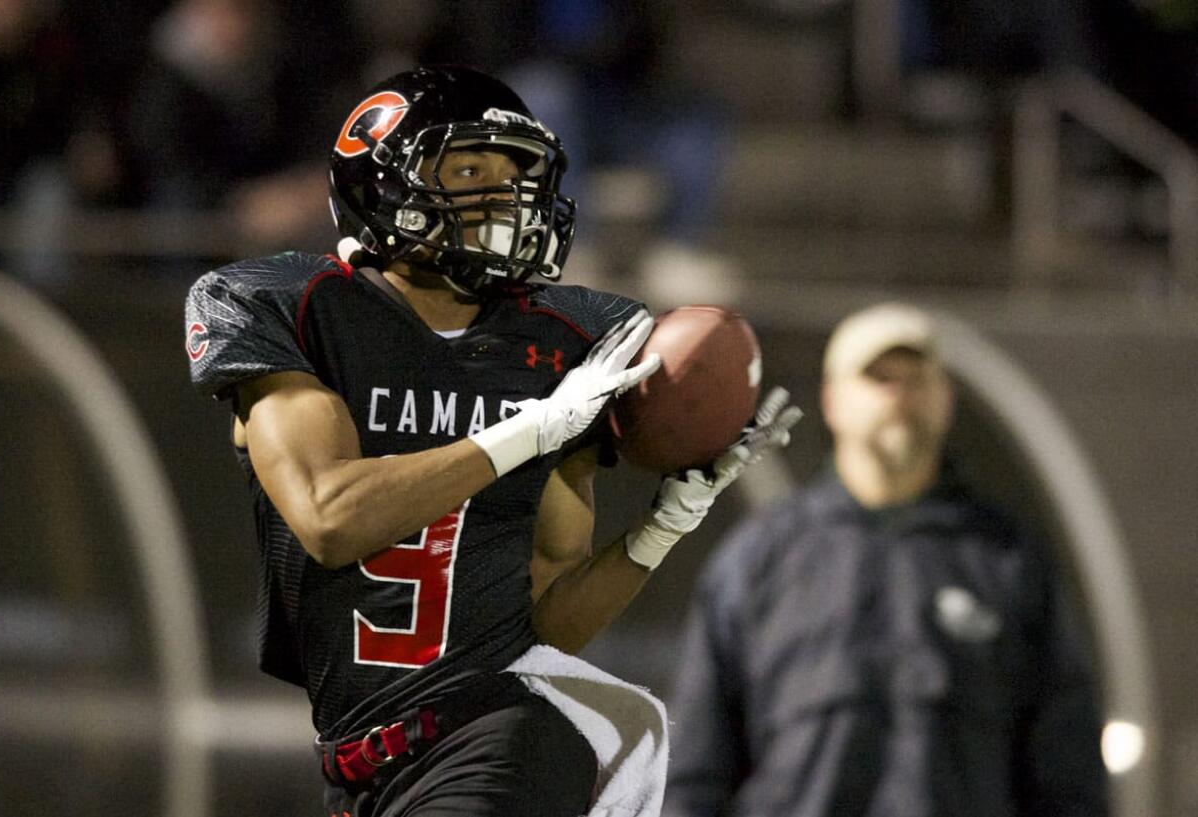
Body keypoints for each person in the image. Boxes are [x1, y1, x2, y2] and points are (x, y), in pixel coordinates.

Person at [183, 66, 799, 817]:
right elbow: (329, 515)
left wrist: (659, 530)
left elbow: (541, 628)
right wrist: (525, 432)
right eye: (471, 169)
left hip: (500, 734)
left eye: (516, 175)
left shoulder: (568, 341)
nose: (503, 197)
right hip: (363, 765)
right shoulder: (292, 308)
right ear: (384, 183)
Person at [663, 302, 1109, 817]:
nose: (899, 395)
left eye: (917, 378)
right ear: (832, 400)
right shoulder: (759, 560)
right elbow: (695, 773)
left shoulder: (1006, 561)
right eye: (878, 378)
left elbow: (1067, 769)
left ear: (945, 400)